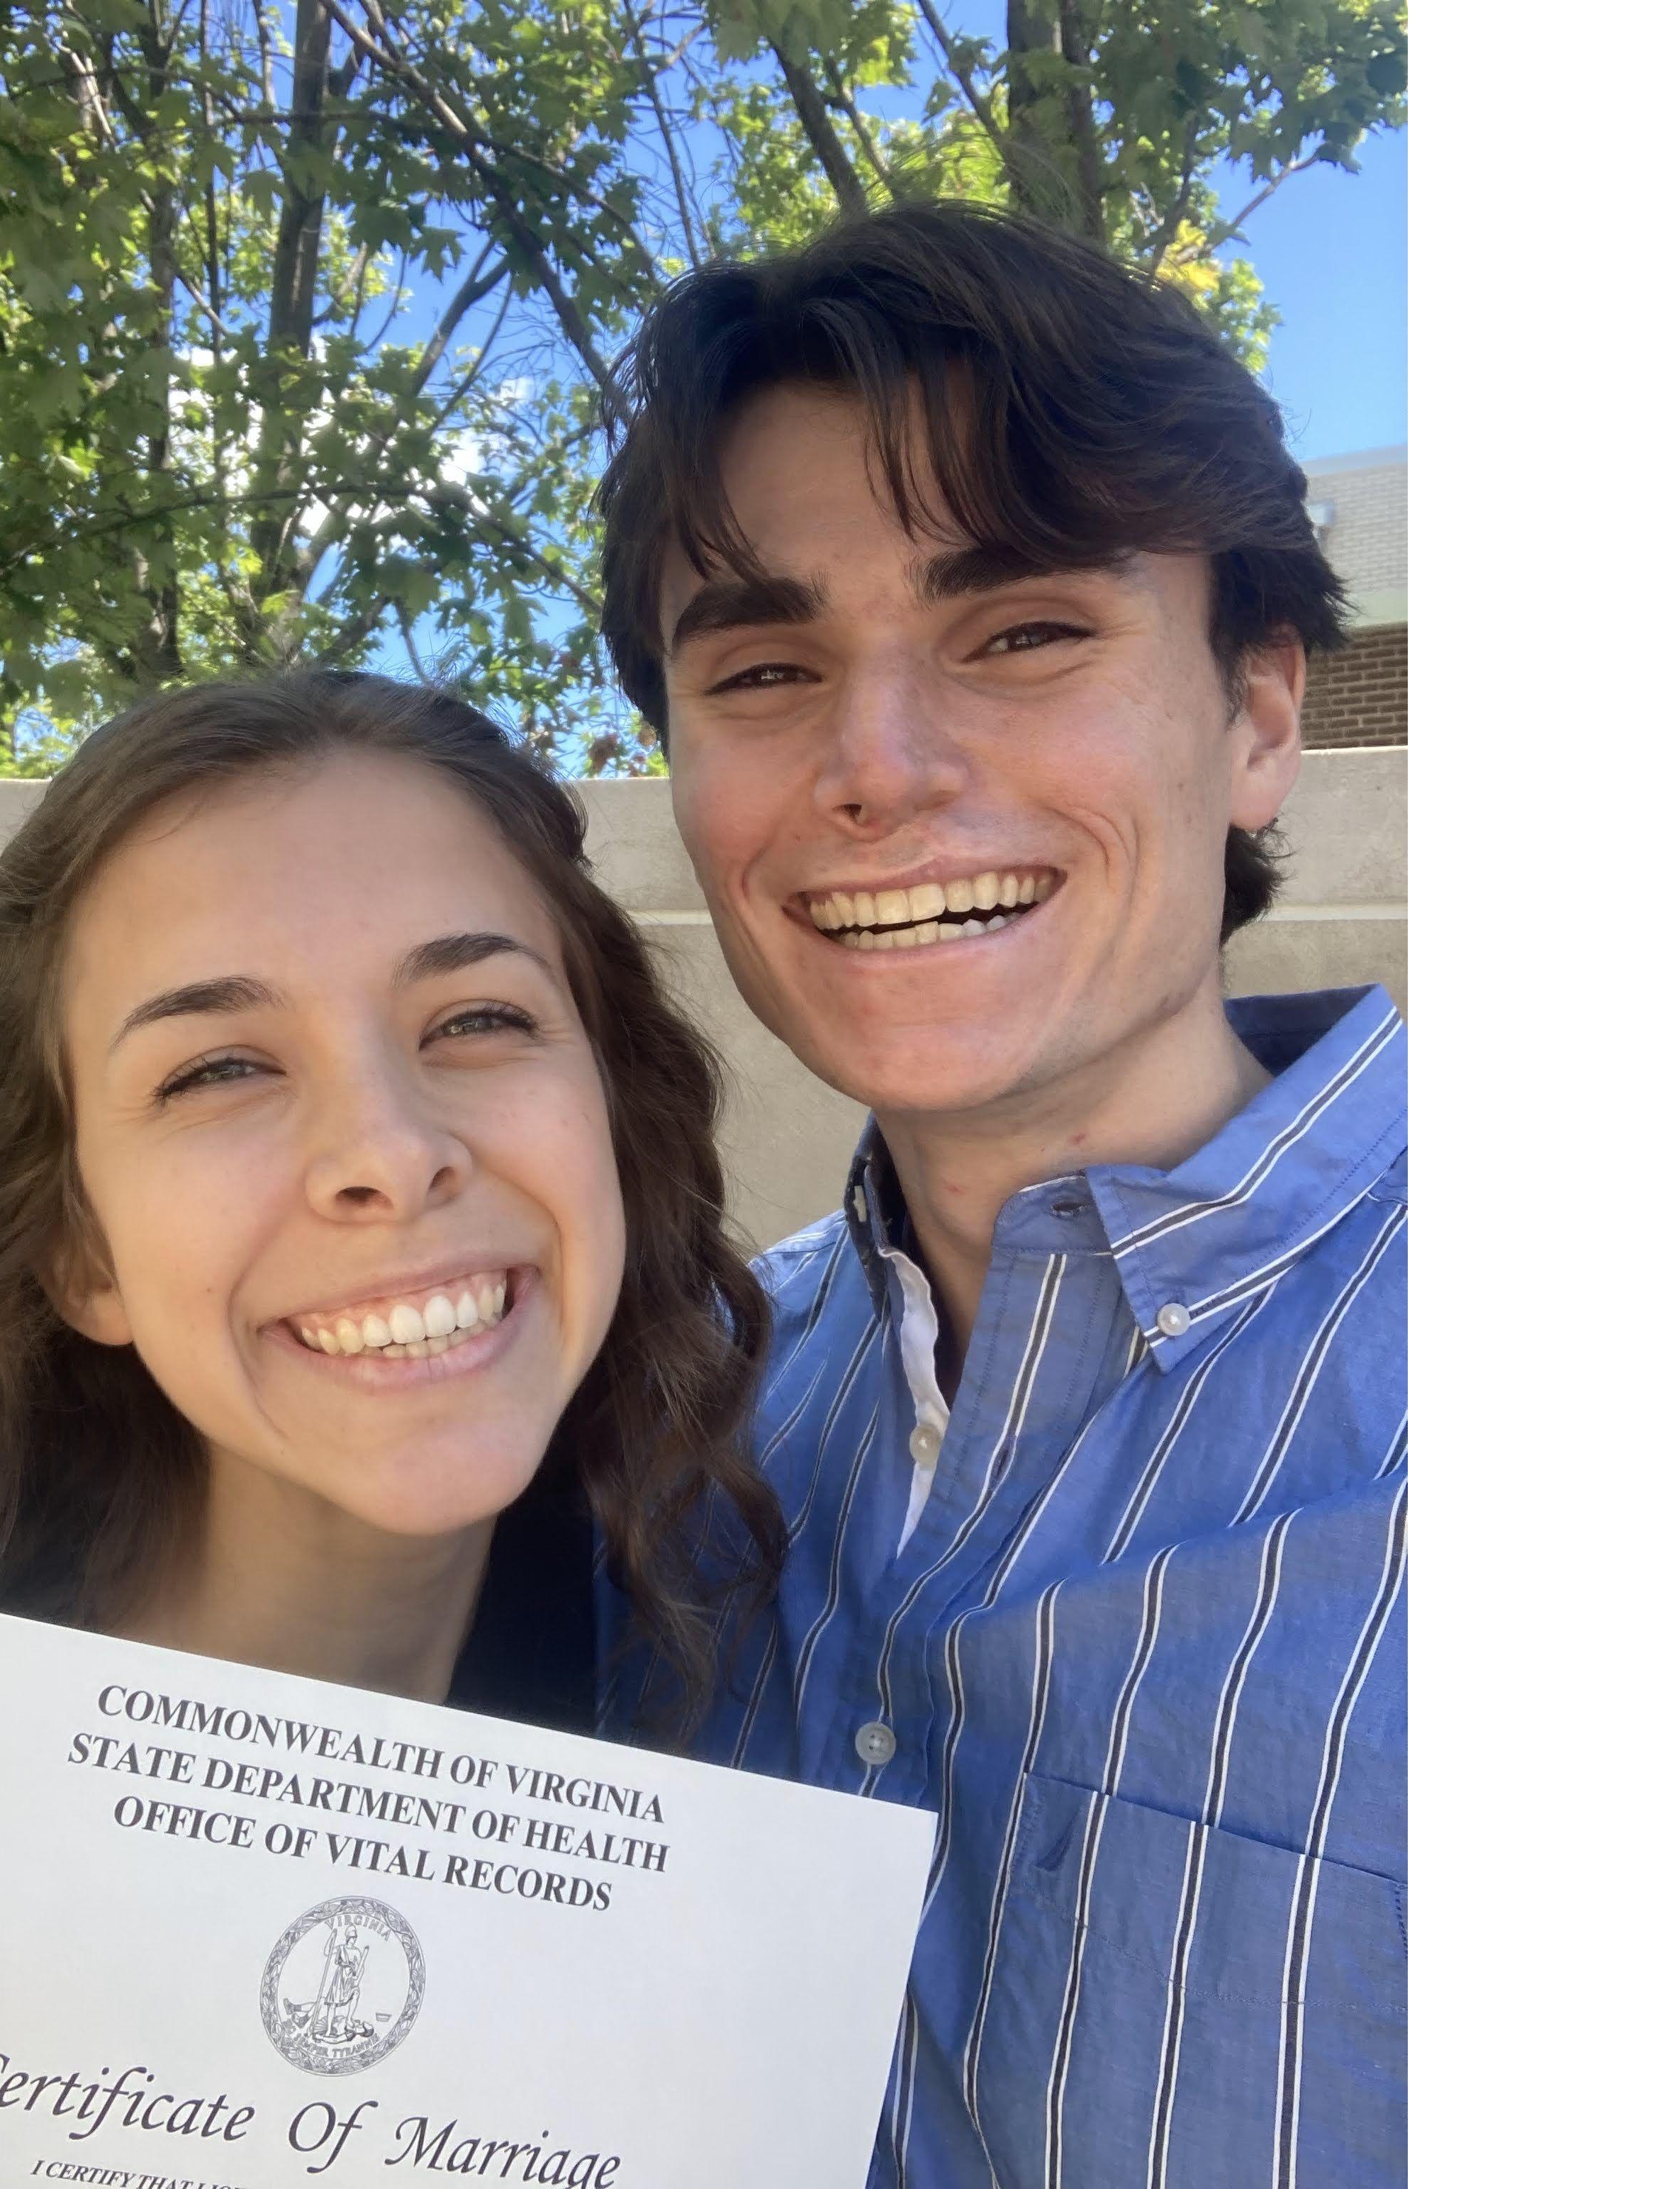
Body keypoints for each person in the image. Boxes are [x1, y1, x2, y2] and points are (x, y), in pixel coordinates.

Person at [594, 201, 1406, 2186]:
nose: (875, 764)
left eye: (1023, 631)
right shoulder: (665, 1422)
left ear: (1259, 715)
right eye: (765, 667)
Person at [0, 671, 781, 1736]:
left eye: (476, 1019)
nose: (391, 1152)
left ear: (616, 1113)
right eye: (219, 1071)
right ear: (79, 1250)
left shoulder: (750, 1689)